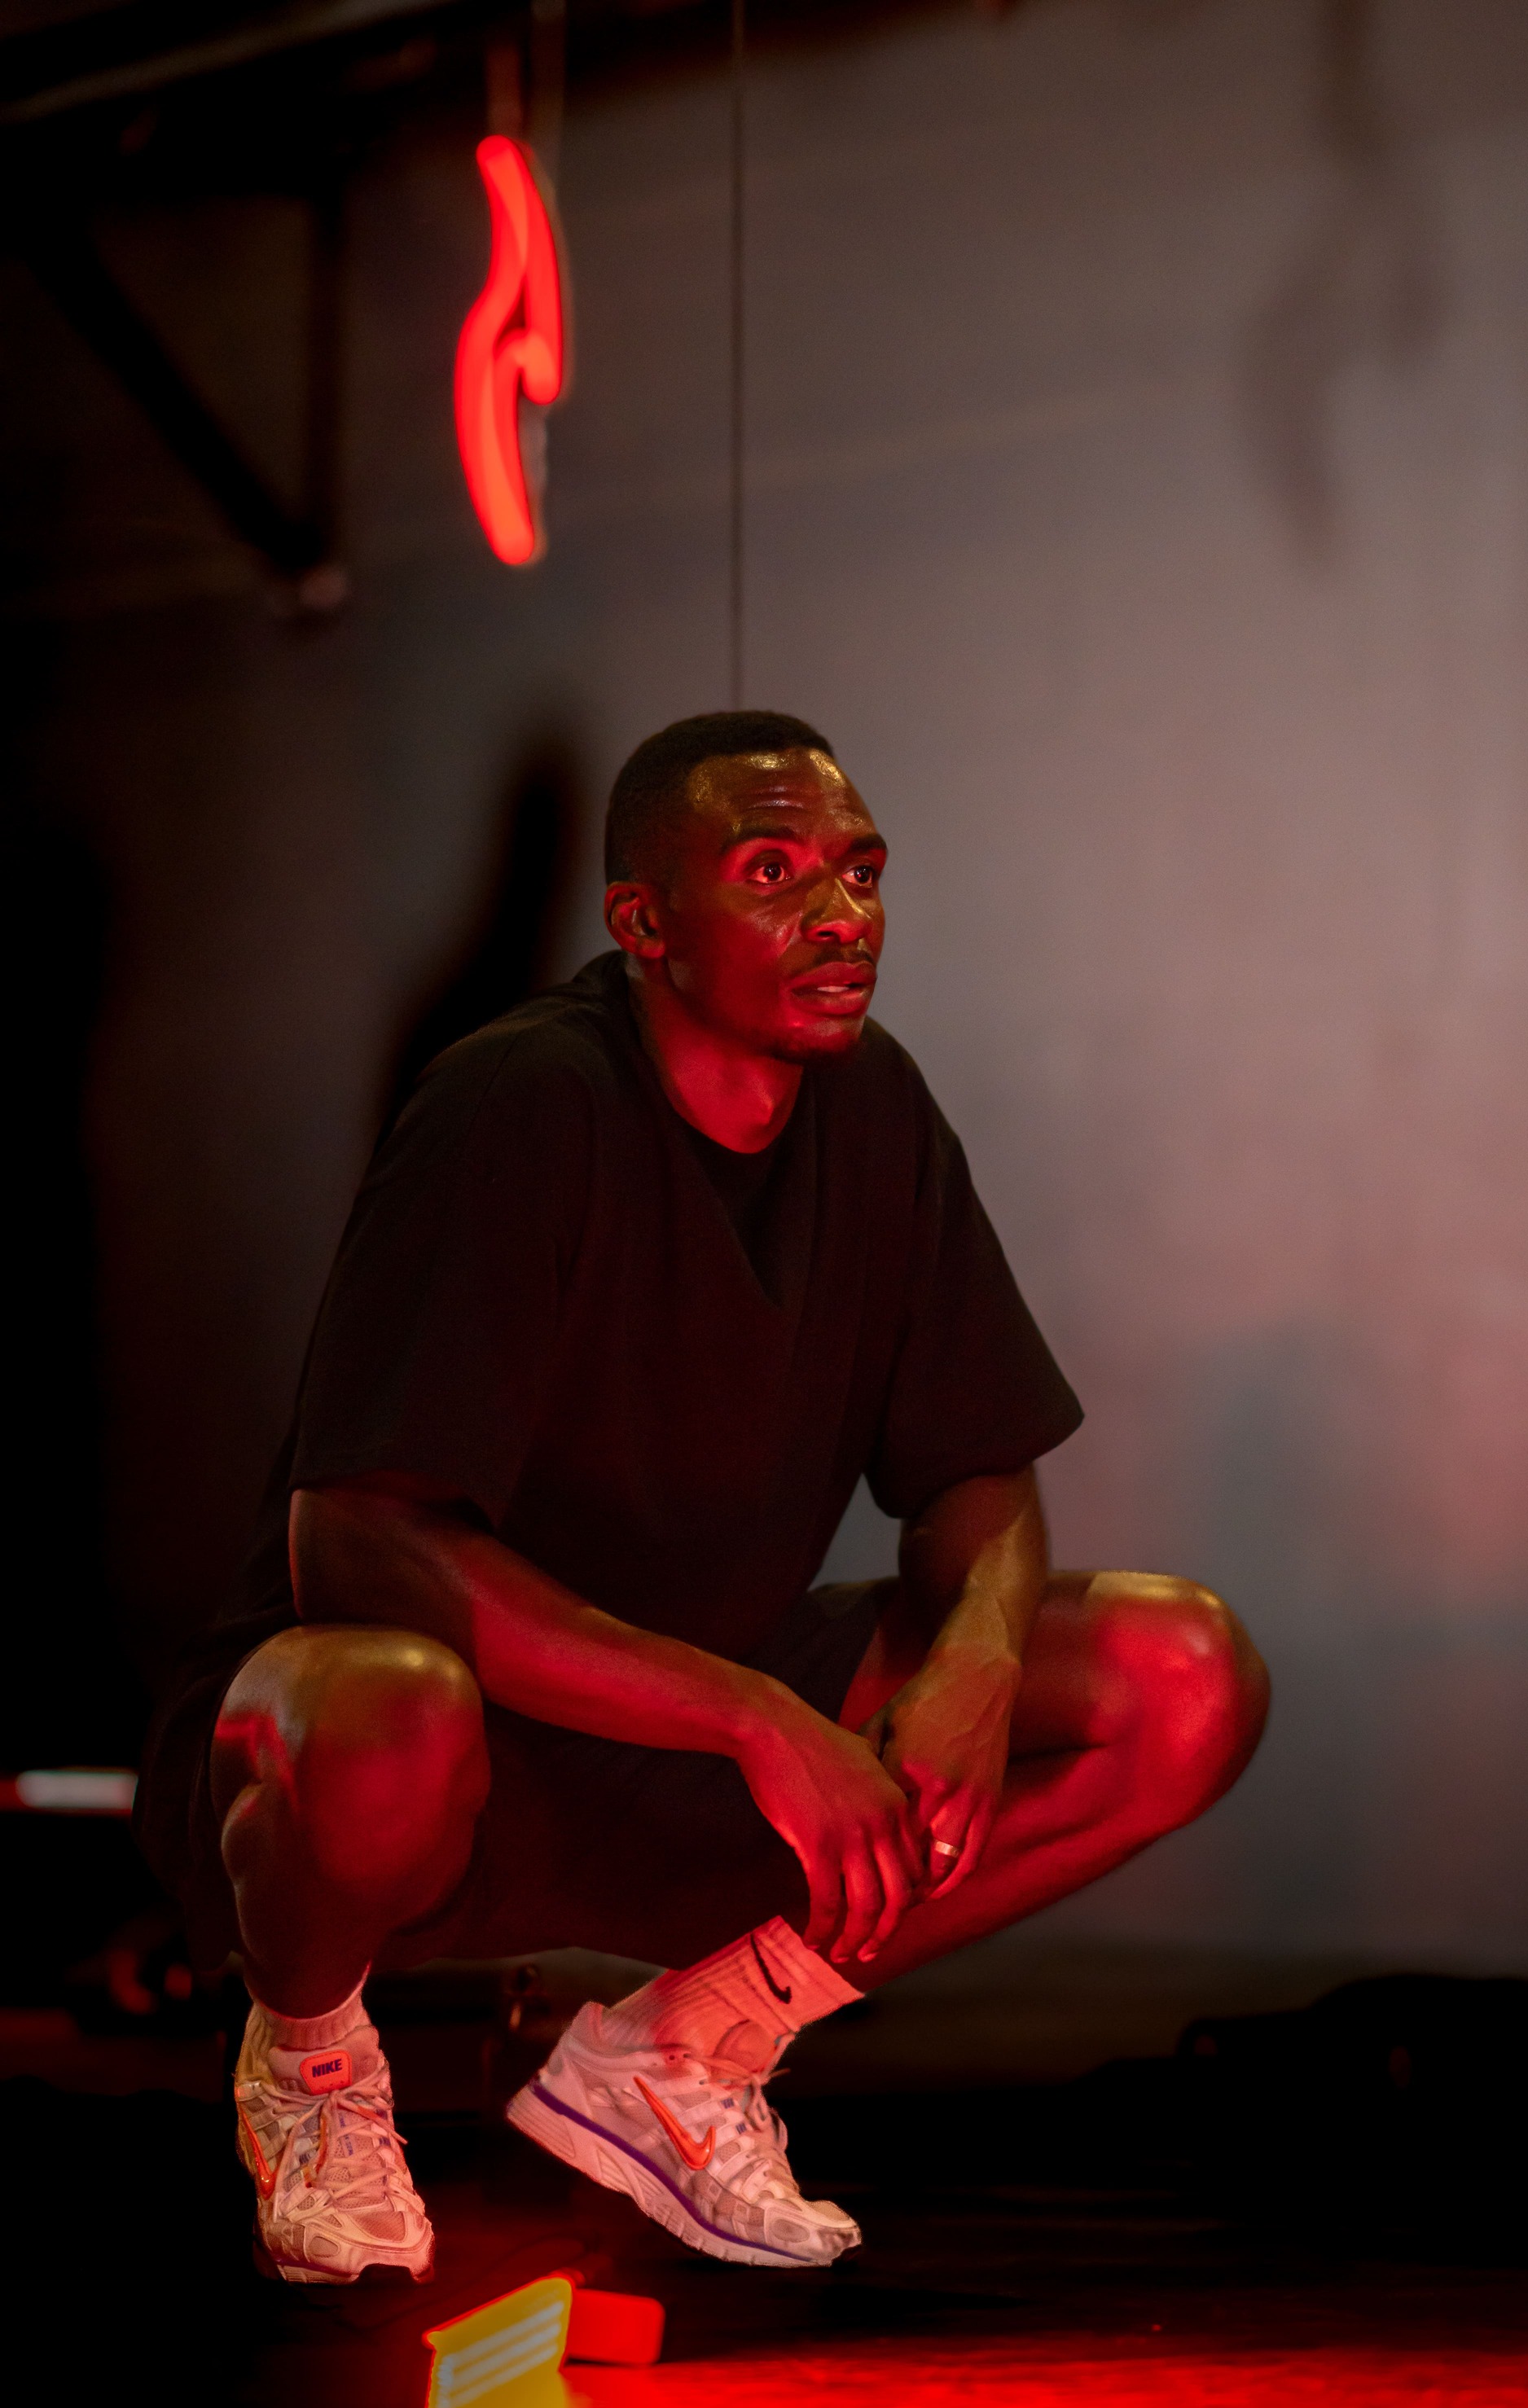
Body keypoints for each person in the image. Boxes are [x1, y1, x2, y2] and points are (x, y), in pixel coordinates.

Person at [137, 709, 1268, 2286]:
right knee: (383, 1702)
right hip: (427, 1751)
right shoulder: (517, 1106)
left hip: (695, 1740)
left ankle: (685, 2053)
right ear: (644, 924)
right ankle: (311, 2066)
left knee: (1182, 1676)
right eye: (772, 873)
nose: (841, 915)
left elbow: (978, 1472)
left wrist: (977, 1658)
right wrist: (751, 1718)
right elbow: (359, 1544)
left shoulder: (874, 1107)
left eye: (860, 872)